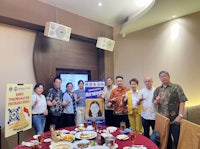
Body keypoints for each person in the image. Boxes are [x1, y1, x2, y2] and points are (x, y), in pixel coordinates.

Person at [153, 71, 188, 149]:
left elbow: (182, 101)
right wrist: (156, 101)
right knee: (165, 139)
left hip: (174, 119)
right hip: (163, 120)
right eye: (161, 77)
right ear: (159, 78)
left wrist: (180, 116)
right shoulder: (158, 89)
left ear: (169, 77)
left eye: (165, 76)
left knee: (177, 139)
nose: (163, 78)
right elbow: (154, 102)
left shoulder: (176, 87)